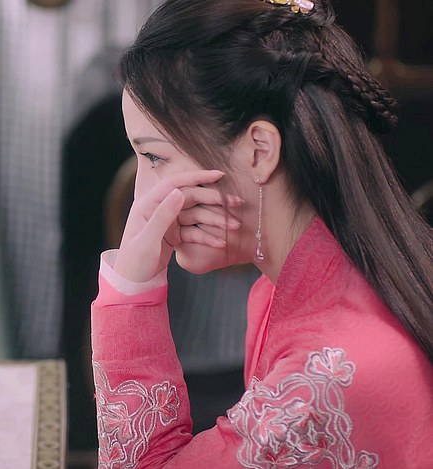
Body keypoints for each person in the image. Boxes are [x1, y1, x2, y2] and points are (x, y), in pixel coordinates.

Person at [90, 0, 433, 467]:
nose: (143, 196)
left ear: (259, 150)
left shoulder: (320, 377)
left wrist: (131, 293)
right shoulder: (289, 289)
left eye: (156, 157)